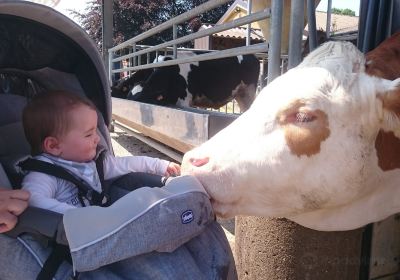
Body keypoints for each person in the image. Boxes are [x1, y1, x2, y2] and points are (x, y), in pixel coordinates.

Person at [21, 91, 181, 213]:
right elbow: (32, 200)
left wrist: (160, 165)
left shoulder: (96, 163)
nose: (97, 139)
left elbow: (128, 164)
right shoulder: (44, 174)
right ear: (54, 146)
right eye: (89, 134)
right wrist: (78, 215)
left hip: (101, 224)